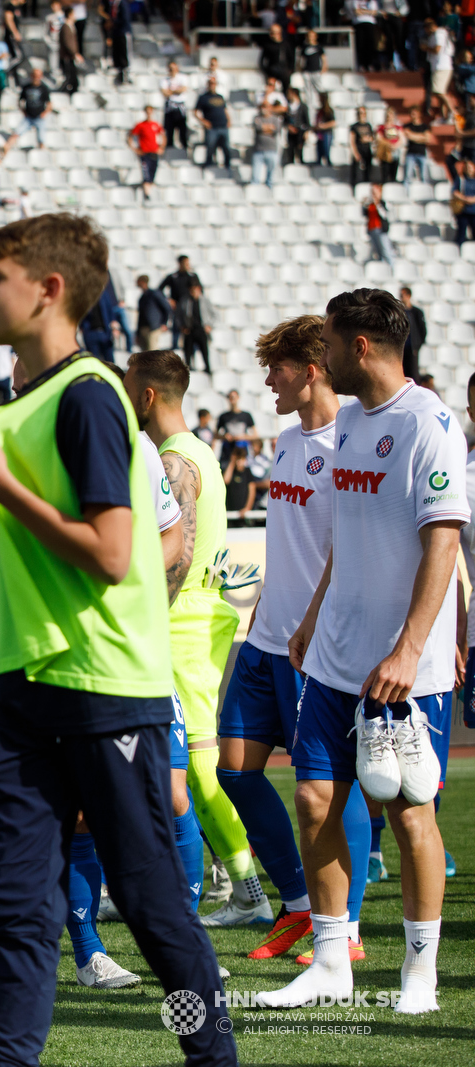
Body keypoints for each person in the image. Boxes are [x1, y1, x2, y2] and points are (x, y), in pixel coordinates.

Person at [0, 214, 232, 1064]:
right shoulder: (24, 400)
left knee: (150, 907)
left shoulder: (88, 394)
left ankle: (213, 1056)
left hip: (104, 688)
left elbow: (113, 553)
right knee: (18, 904)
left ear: (48, 289)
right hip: (27, 690)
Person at [257, 289, 460, 1016]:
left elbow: (443, 541)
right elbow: (344, 535)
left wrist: (410, 648)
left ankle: (419, 974)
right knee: (313, 800)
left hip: (404, 670)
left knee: (409, 817)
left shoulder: (429, 423)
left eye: (333, 345)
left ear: (361, 347)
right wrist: (314, 614)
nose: (325, 356)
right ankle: (332, 961)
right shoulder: (347, 424)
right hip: (334, 657)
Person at [214, 316, 376, 963]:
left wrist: (314, 619)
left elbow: (347, 550)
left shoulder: (352, 443)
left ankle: (352, 926)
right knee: (234, 770)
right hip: (265, 638)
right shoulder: (284, 440)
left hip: (320, 646)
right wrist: (261, 613)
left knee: (334, 786)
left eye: (276, 368)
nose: (267, 380)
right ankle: (301, 905)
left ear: (310, 369)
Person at [123, 351, 266, 937]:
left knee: (197, 772)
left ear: (149, 396)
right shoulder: (199, 449)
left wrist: (138, 616)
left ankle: (247, 887)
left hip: (180, 623)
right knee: (173, 769)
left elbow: (174, 553)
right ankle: (225, 881)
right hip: (194, 617)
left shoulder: (174, 459)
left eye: (129, 388)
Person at [128, 105, 163, 199]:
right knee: (146, 174)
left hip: (154, 152)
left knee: (152, 172)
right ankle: (147, 194)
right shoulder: (140, 125)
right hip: (145, 153)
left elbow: (163, 135)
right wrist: (135, 149)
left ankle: (149, 193)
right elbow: (130, 136)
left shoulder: (155, 125)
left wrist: (161, 147)